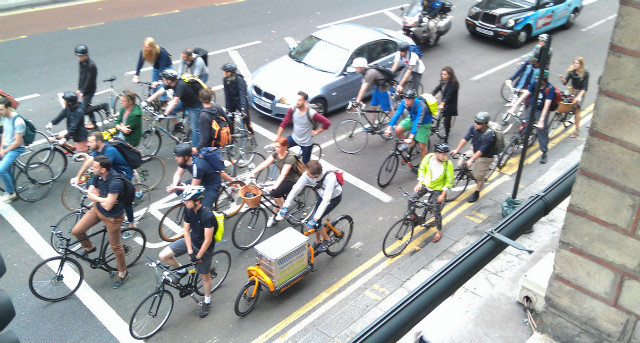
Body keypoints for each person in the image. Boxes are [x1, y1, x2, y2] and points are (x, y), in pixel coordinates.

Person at [71, 155, 129, 288]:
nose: (92, 168)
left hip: (112, 217)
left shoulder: (115, 182)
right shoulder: (98, 175)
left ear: (103, 169)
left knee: (116, 247)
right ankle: (89, 247)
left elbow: (109, 206)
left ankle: (122, 271)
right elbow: (91, 187)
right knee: (77, 231)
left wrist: (96, 197)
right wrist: (97, 195)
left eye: (95, 167)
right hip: (97, 210)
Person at [159, 185, 217, 318]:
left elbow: (207, 240)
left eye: (188, 200)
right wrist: (190, 251)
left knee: (204, 276)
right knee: (164, 255)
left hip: (204, 247)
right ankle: (181, 270)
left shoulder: (207, 215)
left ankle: (207, 301)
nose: (185, 203)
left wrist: (198, 256)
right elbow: (186, 231)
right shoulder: (188, 210)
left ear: (197, 201)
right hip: (192, 241)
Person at [72, 132, 138, 228]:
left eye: (91, 142)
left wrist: (94, 185)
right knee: (92, 183)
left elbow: (102, 170)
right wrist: (78, 177)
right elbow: (90, 161)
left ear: (99, 142)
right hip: (112, 174)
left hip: (123, 175)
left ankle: (132, 224)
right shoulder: (98, 150)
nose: (88, 144)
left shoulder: (109, 151)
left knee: (124, 200)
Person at [278, 160, 342, 253]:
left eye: (308, 174)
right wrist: (285, 206)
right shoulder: (307, 173)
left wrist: (315, 219)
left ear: (316, 175)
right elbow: (296, 188)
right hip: (321, 195)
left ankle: (328, 240)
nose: (306, 174)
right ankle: (317, 241)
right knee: (315, 221)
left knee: (316, 221)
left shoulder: (330, 178)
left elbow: (326, 200)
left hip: (333, 198)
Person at [250, 137, 302, 227]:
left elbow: (283, 174)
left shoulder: (290, 157)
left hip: (293, 179)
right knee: (276, 196)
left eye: (278, 147)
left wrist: (274, 186)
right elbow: (265, 163)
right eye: (276, 146)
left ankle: (283, 211)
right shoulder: (276, 154)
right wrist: (253, 172)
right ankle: (273, 216)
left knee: (275, 192)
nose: (276, 148)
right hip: (284, 178)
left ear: (285, 147)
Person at [508, 69, 556, 164]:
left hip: (541, 111)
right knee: (525, 124)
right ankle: (519, 138)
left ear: (544, 79)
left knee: (542, 131)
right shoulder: (535, 83)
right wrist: (514, 107)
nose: (537, 80)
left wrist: (541, 120)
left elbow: (546, 106)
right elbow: (525, 94)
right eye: (536, 78)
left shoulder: (550, 89)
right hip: (532, 107)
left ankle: (544, 152)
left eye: (539, 79)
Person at [146, 69, 203, 147]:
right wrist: (147, 101)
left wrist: (165, 114)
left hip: (195, 106)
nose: (162, 80)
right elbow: (159, 92)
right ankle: (178, 126)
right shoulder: (170, 83)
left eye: (164, 79)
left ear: (169, 80)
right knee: (170, 110)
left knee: (194, 128)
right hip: (185, 102)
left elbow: (174, 102)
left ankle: (197, 149)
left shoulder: (180, 86)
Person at [168, 143, 234, 210]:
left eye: (178, 156)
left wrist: (175, 187)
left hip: (211, 185)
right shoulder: (185, 161)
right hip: (199, 180)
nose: (176, 158)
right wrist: (174, 185)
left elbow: (192, 188)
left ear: (186, 157)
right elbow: (178, 173)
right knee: (179, 191)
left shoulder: (198, 166)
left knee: (203, 209)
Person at [450, 112, 496, 203]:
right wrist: (456, 149)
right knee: (461, 161)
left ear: (485, 124)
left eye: (478, 123)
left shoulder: (489, 135)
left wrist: (471, 160)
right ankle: (465, 173)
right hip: (475, 150)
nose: (476, 124)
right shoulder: (473, 128)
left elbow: (482, 150)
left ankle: (477, 192)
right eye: (475, 122)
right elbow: (465, 139)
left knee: (478, 176)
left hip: (485, 156)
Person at [413, 143, 454, 243]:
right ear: (436, 153)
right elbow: (422, 169)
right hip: (427, 185)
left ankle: (439, 231)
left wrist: (443, 195)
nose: (445, 157)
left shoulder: (448, 164)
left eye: (445, 154)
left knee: (436, 211)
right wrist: (419, 183)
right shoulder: (428, 158)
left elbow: (449, 181)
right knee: (412, 199)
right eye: (442, 154)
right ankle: (413, 218)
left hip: (438, 189)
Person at [275, 91, 330, 164]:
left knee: (305, 166)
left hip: (306, 143)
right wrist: (277, 139)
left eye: (299, 100)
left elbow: (327, 123)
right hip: (294, 138)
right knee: (280, 148)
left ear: (305, 101)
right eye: (296, 100)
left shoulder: (311, 113)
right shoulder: (293, 109)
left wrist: (316, 132)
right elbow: (284, 123)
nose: (297, 102)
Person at [384, 89, 433, 160]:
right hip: (412, 118)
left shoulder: (421, 106)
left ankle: (423, 167)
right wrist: (389, 128)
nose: (406, 102)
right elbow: (397, 114)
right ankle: (405, 145)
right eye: (405, 99)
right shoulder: (404, 102)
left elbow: (417, 122)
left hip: (424, 123)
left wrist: (411, 137)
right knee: (398, 130)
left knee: (422, 146)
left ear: (413, 99)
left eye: (409, 100)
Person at [351, 57, 392, 126]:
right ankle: (373, 124)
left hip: (385, 89)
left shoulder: (370, 73)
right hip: (378, 87)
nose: (355, 69)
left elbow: (363, 89)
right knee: (373, 106)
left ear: (361, 67)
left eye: (356, 67)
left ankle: (394, 126)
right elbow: (363, 86)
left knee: (388, 109)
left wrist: (357, 102)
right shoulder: (365, 71)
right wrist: (358, 100)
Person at [0, 97, 25, 203]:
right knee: (8, 171)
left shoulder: (18, 121)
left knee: (1, 170)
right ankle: (13, 189)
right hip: (6, 148)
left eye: (1, 109)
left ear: (9, 108)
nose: (0, 112)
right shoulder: (4, 117)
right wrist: (1, 147)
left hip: (15, 149)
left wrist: (4, 151)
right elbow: (4, 133)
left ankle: (11, 192)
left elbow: (18, 142)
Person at [132, 37, 172, 101]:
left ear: (152, 47)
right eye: (144, 46)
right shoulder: (144, 51)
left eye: (147, 47)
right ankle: (155, 101)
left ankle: (164, 101)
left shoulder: (162, 53)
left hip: (166, 67)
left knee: (161, 86)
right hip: (156, 67)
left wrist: (158, 82)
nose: (145, 48)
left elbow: (162, 70)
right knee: (153, 87)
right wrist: (136, 75)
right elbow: (140, 63)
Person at [559, 57, 589, 138]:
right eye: (574, 63)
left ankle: (576, 130)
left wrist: (579, 96)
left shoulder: (585, 73)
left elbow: (584, 88)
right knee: (562, 100)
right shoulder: (571, 71)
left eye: (577, 63)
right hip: (572, 89)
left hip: (580, 92)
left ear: (581, 64)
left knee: (576, 110)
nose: (575, 65)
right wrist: (562, 79)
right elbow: (565, 82)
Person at [221, 63, 254, 135]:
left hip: (239, 100)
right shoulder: (225, 80)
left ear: (230, 72)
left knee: (246, 118)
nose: (224, 73)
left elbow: (242, 94)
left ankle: (251, 132)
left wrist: (243, 108)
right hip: (231, 101)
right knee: (230, 119)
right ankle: (232, 135)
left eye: (226, 71)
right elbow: (226, 94)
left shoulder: (239, 80)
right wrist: (227, 108)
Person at [431, 66, 459, 143]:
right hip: (442, 98)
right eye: (442, 74)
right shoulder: (443, 81)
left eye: (445, 74)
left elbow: (449, 95)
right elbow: (437, 88)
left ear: (449, 75)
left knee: (447, 121)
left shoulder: (454, 83)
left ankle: (446, 137)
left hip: (449, 103)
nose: (442, 76)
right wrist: (430, 95)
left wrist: (442, 104)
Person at [75, 44, 98, 129]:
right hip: (84, 88)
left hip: (90, 89)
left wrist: (83, 91)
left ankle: (102, 106)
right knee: (87, 105)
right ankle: (94, 124)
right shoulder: (81, 63)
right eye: (78, 56)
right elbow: (81, 76)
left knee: (84, 110)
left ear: (86, 55)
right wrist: (79, 88)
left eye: (80, 56)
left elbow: (89, 80)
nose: (79, 58)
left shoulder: (91, 65)